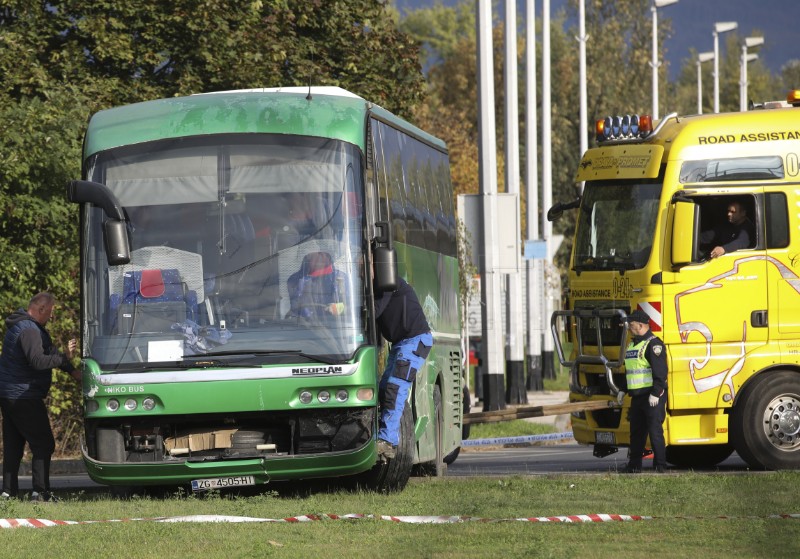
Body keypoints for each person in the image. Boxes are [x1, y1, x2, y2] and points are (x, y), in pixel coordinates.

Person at [0, 292, 80, 501]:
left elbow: (49, 352)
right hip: (23, 395)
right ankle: (40, 492)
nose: (52, 317)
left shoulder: (25, 326)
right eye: (51, 312)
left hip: (10, 395)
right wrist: (64, 356)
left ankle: (8, 493)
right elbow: (37, 361)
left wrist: (72, 371)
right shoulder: (29, 331)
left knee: (14, 445)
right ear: (41, 309)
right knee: (44, 444)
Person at [373, 276, 432, 459]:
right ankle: (379, 436)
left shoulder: (386, 282)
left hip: (414, 341)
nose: (359, 264)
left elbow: (373, 311)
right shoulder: (372, 283)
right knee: (383, 390)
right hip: (400, 343)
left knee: (395, 388)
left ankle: (387, 441)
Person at [618, 309, 668, 473]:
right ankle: (634, 466)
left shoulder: (654, 345)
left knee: (655, 432)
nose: (629, 328)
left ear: (640, 325)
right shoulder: (633, 344)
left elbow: (660, 373)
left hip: (652, 396)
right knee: (636, 433)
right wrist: (622, 390)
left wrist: (656, 393)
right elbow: (631, 371)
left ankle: (660, 466)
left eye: (631, 325)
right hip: (637, 397)